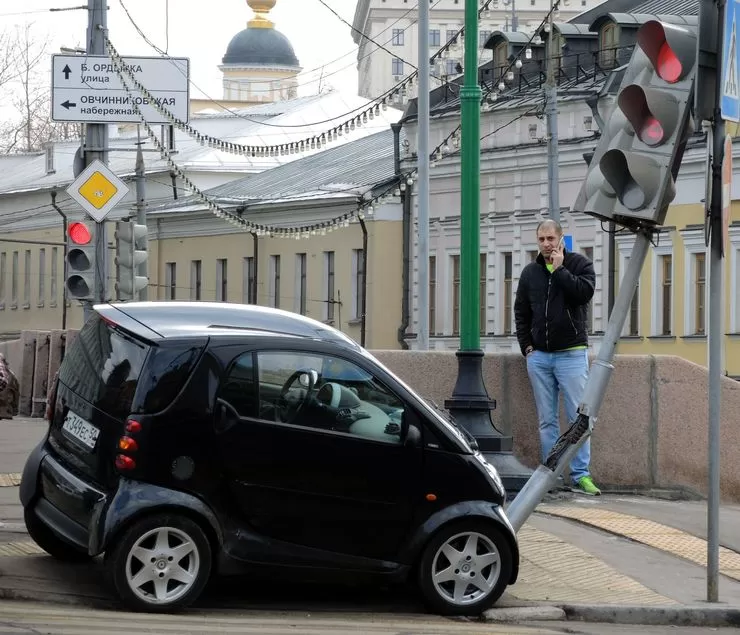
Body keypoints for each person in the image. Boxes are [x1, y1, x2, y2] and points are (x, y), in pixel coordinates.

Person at [514, 219, 600, 495]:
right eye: (541, 240)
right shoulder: (530, 273)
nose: (546, 245)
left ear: (561, 239)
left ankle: (581, 475)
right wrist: (527, 347)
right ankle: (551, 475)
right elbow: (521, 312)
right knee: (546, 420)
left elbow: (583, 294)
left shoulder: (579, 265)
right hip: (539, 357)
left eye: (551, 239)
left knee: (579, 417)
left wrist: (560, 269)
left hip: (572, 354)